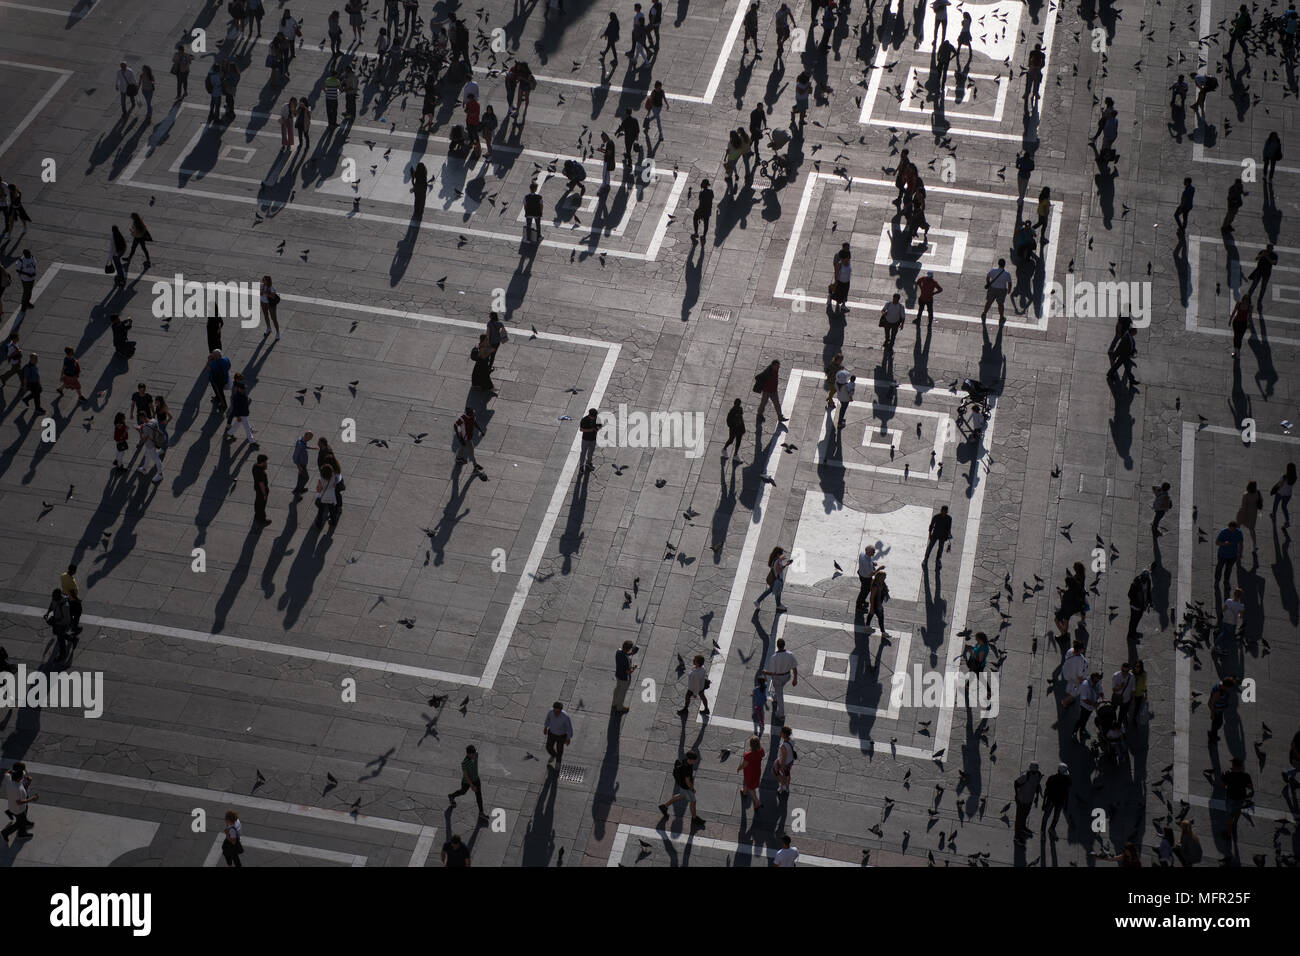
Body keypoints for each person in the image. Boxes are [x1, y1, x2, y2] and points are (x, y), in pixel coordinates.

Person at [659, 750, 705, 828]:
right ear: (690, 759)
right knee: (693, 801)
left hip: (682, 785)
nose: (696, 761)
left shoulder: (685, 761)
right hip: (686, 787)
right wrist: (692, 788)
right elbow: (687, 781)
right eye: (695, 760)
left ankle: (664, 806)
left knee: (681, 796)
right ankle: (694, 819)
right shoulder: (687, 768)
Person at [447, 744, 488, 819]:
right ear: (468, 754)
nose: (474, 755)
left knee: (479, 795)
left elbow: (476, 752)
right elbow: (466, 776)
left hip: (476, 779)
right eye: (472, 754)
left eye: (474, 753)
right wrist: (472, 786)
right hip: (467, 781)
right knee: (463, 792)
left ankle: (481, 813)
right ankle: (451, 796)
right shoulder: (464, 763)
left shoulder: (476, 754)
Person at [1, 764, 37, 845]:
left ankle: (23, 828)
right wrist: (32, 799)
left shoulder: (9, 778)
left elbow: (6, 773)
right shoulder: (16, 789)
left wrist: (13, 770)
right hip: (18, 808)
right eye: (22, 777)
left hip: (14, 806)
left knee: (22, 819)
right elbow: (19, 802)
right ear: (18, 778)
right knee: (19, 823)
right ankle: (5, 833)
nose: (23, 778)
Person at [763, 637, 798, 718]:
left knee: (780, 696)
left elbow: (772, 673)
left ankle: (781, 714)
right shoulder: (790, 654)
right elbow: (794, 668)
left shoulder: (774, 657)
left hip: (777, 678)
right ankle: (775, 697)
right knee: (779, 690)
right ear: (784, 645)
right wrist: (795, 678)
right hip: (787, 676)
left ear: (777, 646)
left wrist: (765, 672)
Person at [1221, 757, 1254, 841]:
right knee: (1238, 810)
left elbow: (1222, 786)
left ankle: (1228, 834)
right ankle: (1235, 823)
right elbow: (1250, 787)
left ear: (1233, 765)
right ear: (1240, 766)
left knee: (1229, 816)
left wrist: (1223, 779)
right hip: (1241, 798)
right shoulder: (1246, 776)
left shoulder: (1228, 774)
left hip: (1231, 798)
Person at [755, 546, 792, 613]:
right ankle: (778, 605)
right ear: (778, 554)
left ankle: (758, 601)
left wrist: (780, 560)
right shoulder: (777, 561)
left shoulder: (775, 559)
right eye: (781, 554)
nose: (782, 555)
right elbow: (778, 571)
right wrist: (786, 564)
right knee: (777, 592)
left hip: (775, 579)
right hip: (777, 580)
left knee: (770, 591)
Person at [1054, 561, 1087, 635]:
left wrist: (1060, 594)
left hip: (1068, 608)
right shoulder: (1080, 579)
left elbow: (1063, 602)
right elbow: (1073, 588)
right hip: (1076, 605)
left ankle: (1063, 632)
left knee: (1057, 620)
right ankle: (1082, 621)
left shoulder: (1067, 594)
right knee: (1069, 617)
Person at [1013, 762, 1042, 844]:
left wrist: (1036, 797)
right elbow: (1016, 783)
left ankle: (1023, 827)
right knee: (1019, 818)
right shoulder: (1025, 776)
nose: (1035, 772)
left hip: (1029, 800)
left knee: (1025, 815)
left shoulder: (1038, 775)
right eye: (1034, 770)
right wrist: (1017, 794)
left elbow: (1036, 786)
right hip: (1021, 800)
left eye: (1036, 770)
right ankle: (1017, 837)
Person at [44, 587, 74, 660]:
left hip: (62, 624)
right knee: (58, 633)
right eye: (53, 597)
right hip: (57, 622)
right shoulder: (55, 599)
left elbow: (66, 619)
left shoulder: (65, 606)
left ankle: (62, 656)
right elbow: (52, 605)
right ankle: (72, 639)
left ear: (59, 596)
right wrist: (47, 613)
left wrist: (55, 621)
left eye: (54, 597)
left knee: (61, 640)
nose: (53, 598)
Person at [1041, 763, 1070, 837]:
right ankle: (1051, 829)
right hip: (1058, 802)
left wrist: (1044, 803)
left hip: (1052, 801)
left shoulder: (1052, 778)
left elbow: (1046, 791)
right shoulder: (1067, 780)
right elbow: (1067, 793)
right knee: (1055, 817)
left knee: (1047, 816)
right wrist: (1066, 804)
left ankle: (1044, 830)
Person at [454, 406, 486, 474]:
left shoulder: (472, 416)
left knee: (462, 447)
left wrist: (480, 430)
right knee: (471, 451)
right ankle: (475, 465)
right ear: (468, 413)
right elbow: (455, 425)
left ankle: (458, 458)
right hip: (466, 438)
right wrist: (459, 437)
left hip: (468, 437)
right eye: (472, 413)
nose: (474, 414)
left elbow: (475, 423)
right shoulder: (463, 418)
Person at [980, 258, 1012, 323]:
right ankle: (1001, 317)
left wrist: (988, 283)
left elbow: (988, 276)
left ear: (998, 264)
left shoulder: (993, 270)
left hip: (992, 289)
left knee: (989, 302)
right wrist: (1009, 290)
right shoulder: (1007, 274)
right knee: (1000, 304)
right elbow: (1009, 283)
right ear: (1004, 265)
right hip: (1002, 290)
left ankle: (984, 313)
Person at [1214, 521, 1244, 590]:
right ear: (1229, 527)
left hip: (1233, 556)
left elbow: (1241, 543)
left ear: (1236, 528)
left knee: (1228, 570)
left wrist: (1240, 553)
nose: (1232, 531)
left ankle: (1226, 582)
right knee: (1219, 568)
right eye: (1231, 529)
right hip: (1222, 555)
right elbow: (1217, 542)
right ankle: (1217, 581)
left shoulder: (1239, 533)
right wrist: (1224, 544)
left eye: (1234, 529)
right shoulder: (1224, 532)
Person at [543, 701, 573, 767]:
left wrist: (568, 738)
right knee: (548, 747)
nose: (556, 713)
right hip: (551, 733)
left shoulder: (565, 717)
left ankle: (558, 762)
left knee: (560, 749)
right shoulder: (551, 712)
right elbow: (547, 720)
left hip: (561, 735)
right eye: (555, 711)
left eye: (557, 712)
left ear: (560, 710)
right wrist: (545, 727)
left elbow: (569, 728)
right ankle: (553, 755)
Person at [1207, 676, 1236, 743]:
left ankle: (1212, 734)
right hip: (1216, 709)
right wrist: (1212, 713)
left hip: (1219, 708)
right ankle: (1212, 737)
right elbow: (1212, 702)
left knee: (1217, 723)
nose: (1230, 689)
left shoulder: (1222, 686)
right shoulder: (1219, 692)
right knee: (1217, 723)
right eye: (1229, 688)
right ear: (1226, 686)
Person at [739, 734, 764, 808]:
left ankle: (757, 802)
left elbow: (744, 765)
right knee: (749, 782)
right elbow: (763, 755)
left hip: (750, 772)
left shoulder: (748, 755)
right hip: (757, 771)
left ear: (751, 745)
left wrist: (739, 768)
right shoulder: (761, 750)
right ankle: (744, 791)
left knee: (751, 788)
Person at [1126, 569, 1152, 641]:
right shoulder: (1136, 584)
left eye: (1146, 578)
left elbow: (1148, 592)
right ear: (1142, 576)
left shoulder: (1148, 581)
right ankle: (1130, 636)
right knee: (1133, 621)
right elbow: (1129, 595)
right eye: (1144, 578)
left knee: (1137, 620)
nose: (1145, 580)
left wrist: (1150, 602)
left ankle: (1134, 632)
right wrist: (1136, 602)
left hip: (1142, 606)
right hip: (1135, 607)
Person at [613, 639, 637, 714]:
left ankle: (614, 703)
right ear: (629, 649)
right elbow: (628, 671)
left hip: (618, 674)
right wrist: (634, 667)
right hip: (624, 678)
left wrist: (630, 654)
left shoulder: (618, 651)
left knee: (617, 689)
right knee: (622, 693)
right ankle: (619, 707)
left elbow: (624, 654)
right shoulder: (627, 660)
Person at [316, 463, 341, 529]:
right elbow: (334, 486)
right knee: (332, 510)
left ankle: (318, 524)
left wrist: (318, 488)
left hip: (323, 498)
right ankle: (333, 521)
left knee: (321, 511)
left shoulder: (321, 480)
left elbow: (319, 490)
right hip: (331, 496)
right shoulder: (334, 478)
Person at [1271, 462, 1297, 527]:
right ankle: (1287, 521)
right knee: (1284, 507)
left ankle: (1274, 515)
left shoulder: (1284, 477)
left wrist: (1273, 488)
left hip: (1280, 493)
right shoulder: (1295, 477)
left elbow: (1279, 484)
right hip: (1288, 495)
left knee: (1276, 504)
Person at [773, 726, 796, 795]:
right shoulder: (792, 739)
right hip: (790, 760)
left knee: (775, 770)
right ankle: (787, 788)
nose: (780, 733)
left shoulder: (783, 746)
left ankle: (782, 785)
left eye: (781, 732)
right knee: (787, 774)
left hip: (784, 762)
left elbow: (784, 757)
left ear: (784, 734)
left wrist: (782, 766)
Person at [866, 569, 889, 636]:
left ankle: (867, 626)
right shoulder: (875, 586)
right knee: (881, 617)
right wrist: (872, 607)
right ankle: (883, 632)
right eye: (883, 577)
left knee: (871, 614)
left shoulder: (882, 583)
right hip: (877, 604)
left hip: (879, 603)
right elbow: (872, 597)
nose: (885, 578)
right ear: (879, 578)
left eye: (885, 577)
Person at [1229, 294, 1250, 359]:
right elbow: (1234, 311)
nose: (1245, 301)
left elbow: (1249, 317)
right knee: (1236, 337)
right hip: (1236, 322)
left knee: (1239, 338)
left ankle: (1237, 352)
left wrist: (1248, 324)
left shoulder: (1249, 307)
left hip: (1243, 324)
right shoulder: (1239, 304)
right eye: (1244, 299)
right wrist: (1230, 320)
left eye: (1246, 300)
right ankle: (1236, 351)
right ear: (1243, 299)